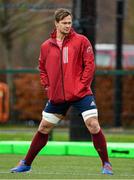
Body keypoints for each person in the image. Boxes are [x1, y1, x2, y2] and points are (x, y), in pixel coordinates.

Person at [10, 8, 113, 175]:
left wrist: (81, 85)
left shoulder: (81, 41)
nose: (68, 26)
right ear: (56, 23)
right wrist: (48, 87)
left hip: (81, 93)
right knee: (43, 128)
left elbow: (90, 65)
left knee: (93, 125)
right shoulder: (46, 46)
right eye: (64, 23)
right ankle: (26, 163)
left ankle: (106, 164)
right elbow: (42, 68)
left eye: (69, 23)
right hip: (57, 96)